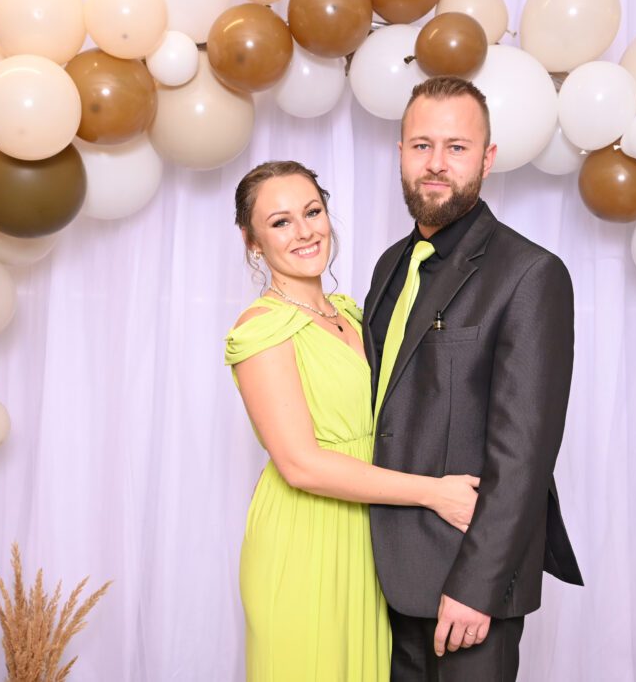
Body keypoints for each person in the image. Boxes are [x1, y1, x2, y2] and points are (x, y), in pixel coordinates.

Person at [224, 160, 481, 681]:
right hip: (305, 535)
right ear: (253, 242)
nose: (304, 231)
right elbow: (301, 465)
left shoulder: (351, 313)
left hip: (369, 532)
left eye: (312, 212)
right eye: (280, 222)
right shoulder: (261, 329)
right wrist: (433, 493)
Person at [364, 76, 584, 680]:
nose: (436, 163)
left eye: (456, 147)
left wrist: (478, 587)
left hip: (465, 585)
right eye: (422, 145)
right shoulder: (390, 265)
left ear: (487, 159)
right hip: (380, 576)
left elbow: (524, 454)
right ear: (401, 153)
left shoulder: (530, 274)